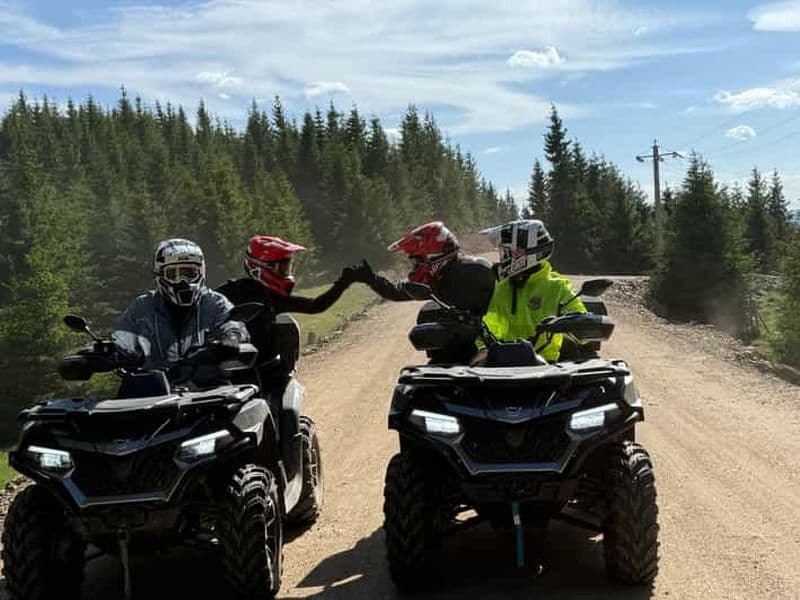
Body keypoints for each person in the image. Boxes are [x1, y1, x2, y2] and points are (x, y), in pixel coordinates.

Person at [216, 235, 365, 373]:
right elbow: (316, 305)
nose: (285, 272)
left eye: (287, 267)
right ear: (258, 268)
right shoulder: (271, 298)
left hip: (233, 371)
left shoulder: (226, 291)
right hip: (253, 370)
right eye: (281, 268)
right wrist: (342, 283)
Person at [354, 221, 496, 363]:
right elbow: (395, 292)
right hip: (459, 353)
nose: (415, 267)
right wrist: (371, 279)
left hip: (490, 349)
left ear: (434, 257)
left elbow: (498, 313)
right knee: (429, 313)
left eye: (417, 261)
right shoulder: (436, 277)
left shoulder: (476, 272)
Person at [113, 238, 248, 371]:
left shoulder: (214, 303)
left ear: (201, 273)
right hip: (155, 387)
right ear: (159, 275)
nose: (183, 282)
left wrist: (232, 338)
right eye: (173, 274)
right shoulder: (142, 307)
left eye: (190, 273)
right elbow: (122, 341)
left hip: (209, 386)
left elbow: (231, 323)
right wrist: (102, 354)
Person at [476, 219, 586, 362]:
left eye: (506, 253)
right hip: (504, 366)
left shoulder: (557, 287)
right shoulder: (503, 287)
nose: (502, 259)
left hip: (546, 367)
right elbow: (492, 325)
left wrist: (582, 325)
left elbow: (582, 329)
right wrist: (483, 348)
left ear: (522, 254)